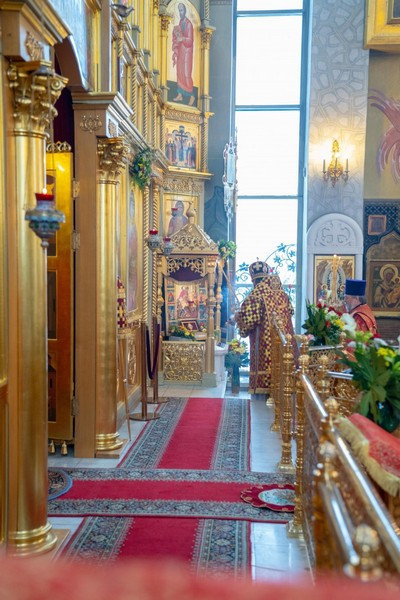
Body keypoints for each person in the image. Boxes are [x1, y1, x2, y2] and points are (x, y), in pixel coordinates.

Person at [235, 261, 294, 395]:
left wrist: (238, 316)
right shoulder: (282, 293)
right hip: (285, 339)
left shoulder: (256, 294)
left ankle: (265, 389)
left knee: (267, 362)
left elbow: (249, 320)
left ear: (254, 280)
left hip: (265, 341)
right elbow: (291, 311)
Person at [172, 3, 195, 106]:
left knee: (186, 73)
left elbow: (190, 41)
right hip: (181, 51)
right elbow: (178, 34)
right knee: (180, 72)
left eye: (181, 10)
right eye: (179, 10)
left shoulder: (189, 24)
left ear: (185, 11)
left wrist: (182, 39)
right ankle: (180, 94)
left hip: (187, 53)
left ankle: (192, 96)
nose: (180, 12)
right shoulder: (180, 22)